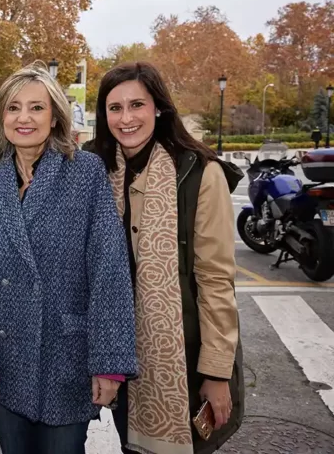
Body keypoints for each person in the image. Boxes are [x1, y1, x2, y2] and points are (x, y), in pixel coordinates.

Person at [0, 62, 138, 454]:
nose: (24, 118)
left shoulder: (84, 172)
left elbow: (109, 270)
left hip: (67, 357)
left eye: (36, 107)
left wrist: (109, 362)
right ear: (2, 116)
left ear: (54, 117)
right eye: (13, 107)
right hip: (5, 358)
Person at [87, 62, 244, 454]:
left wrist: (216, 372)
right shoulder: (96, 169)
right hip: (119, 353)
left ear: (158, 107)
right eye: (115, 108)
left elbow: (215, 278)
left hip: (183, 356)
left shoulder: (200, 172)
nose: (126, 118)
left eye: (137, 105)